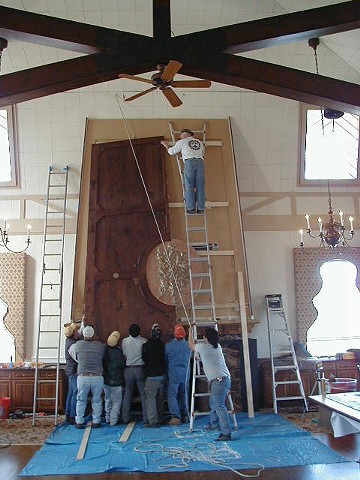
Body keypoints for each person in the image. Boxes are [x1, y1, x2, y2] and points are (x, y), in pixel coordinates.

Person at [188, 326, 232, 441]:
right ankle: (214, 424)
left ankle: (226, 433)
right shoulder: (217, 347)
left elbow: (191, 345)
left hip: (219, 381)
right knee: (214, 403)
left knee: (219, 406)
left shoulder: (204, 348)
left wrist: (190, 333)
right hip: (223, 379)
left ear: (206, 339)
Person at [161, 128, 205, 214]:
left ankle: (191, 208)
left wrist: (166, 145)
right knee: (200, 186)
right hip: (200, 162)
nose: (180, 137)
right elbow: (202, 152)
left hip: (189, 162)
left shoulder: (182, 142)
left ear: (184, 135)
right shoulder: (199, 142)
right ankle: (201, 208)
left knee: (189, 185)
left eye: (181, 135)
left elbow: (171, 152)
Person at [69, 325, 105, 429]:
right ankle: (96, 421)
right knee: (97, 400)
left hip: (83, 376)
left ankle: (79, 421)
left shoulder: (78, 345)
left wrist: (79, 360)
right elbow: (103, 355)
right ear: (93, 334)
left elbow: (71, 351)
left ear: (83, 334)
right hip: (97, 377)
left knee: (81, 400)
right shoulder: (100, 346)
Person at [121, 324, 148, 424]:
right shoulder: (144, 341)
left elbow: (123, 355)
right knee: (143, 394)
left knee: (127, 394)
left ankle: (125, 418)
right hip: (140, 369)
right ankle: (146, 418)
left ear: (129, 332)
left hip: (128, 369)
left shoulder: (124, 341)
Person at [165, 324, 191, 425]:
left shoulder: (168, 346)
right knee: (184, 394)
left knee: (172, 395)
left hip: (173, 374)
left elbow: (165, 359)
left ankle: (175, 417)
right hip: (185, 374)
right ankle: (185, 415)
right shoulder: (189, 345)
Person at [142, 323, 166, 427]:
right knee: (160, 399)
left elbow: (144, 359)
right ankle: (160, 418)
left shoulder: (146, 346)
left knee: (151, 399)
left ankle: (153, 421)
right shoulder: (163, 345)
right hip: (161, 375)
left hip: (151, 375)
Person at [103, 330, 126, 426]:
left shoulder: (104, 350)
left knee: (107, 399)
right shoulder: (119, 352)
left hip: (106, 379)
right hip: (117, 380)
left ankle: (107, 418)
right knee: (116, 402)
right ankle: (113, 420)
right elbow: (122, 364)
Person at [64, 322, 81, 424]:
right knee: (75, 393)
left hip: (70, 371)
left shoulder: (69, 341)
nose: (78, 332)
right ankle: (72, 416)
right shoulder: (73, 346)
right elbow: (78, 359)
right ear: (73, 333)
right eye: (76, 331)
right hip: (74, 371)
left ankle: (67, 414)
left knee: (70, 393)